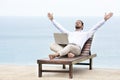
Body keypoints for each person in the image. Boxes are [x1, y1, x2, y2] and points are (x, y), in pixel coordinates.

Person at [48, 12, 113, 60]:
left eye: (79, 22)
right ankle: (68, 54)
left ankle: (56, 55)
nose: (77, 23)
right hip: (68, 48)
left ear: (82, 26)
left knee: (69, 46)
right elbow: (60, 28)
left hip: (77, 49)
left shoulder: (86, 34)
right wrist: (52, 20)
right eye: (76, 22)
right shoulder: (70, 33)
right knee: (52, 45)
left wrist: (104, 20)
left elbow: (96, 27)